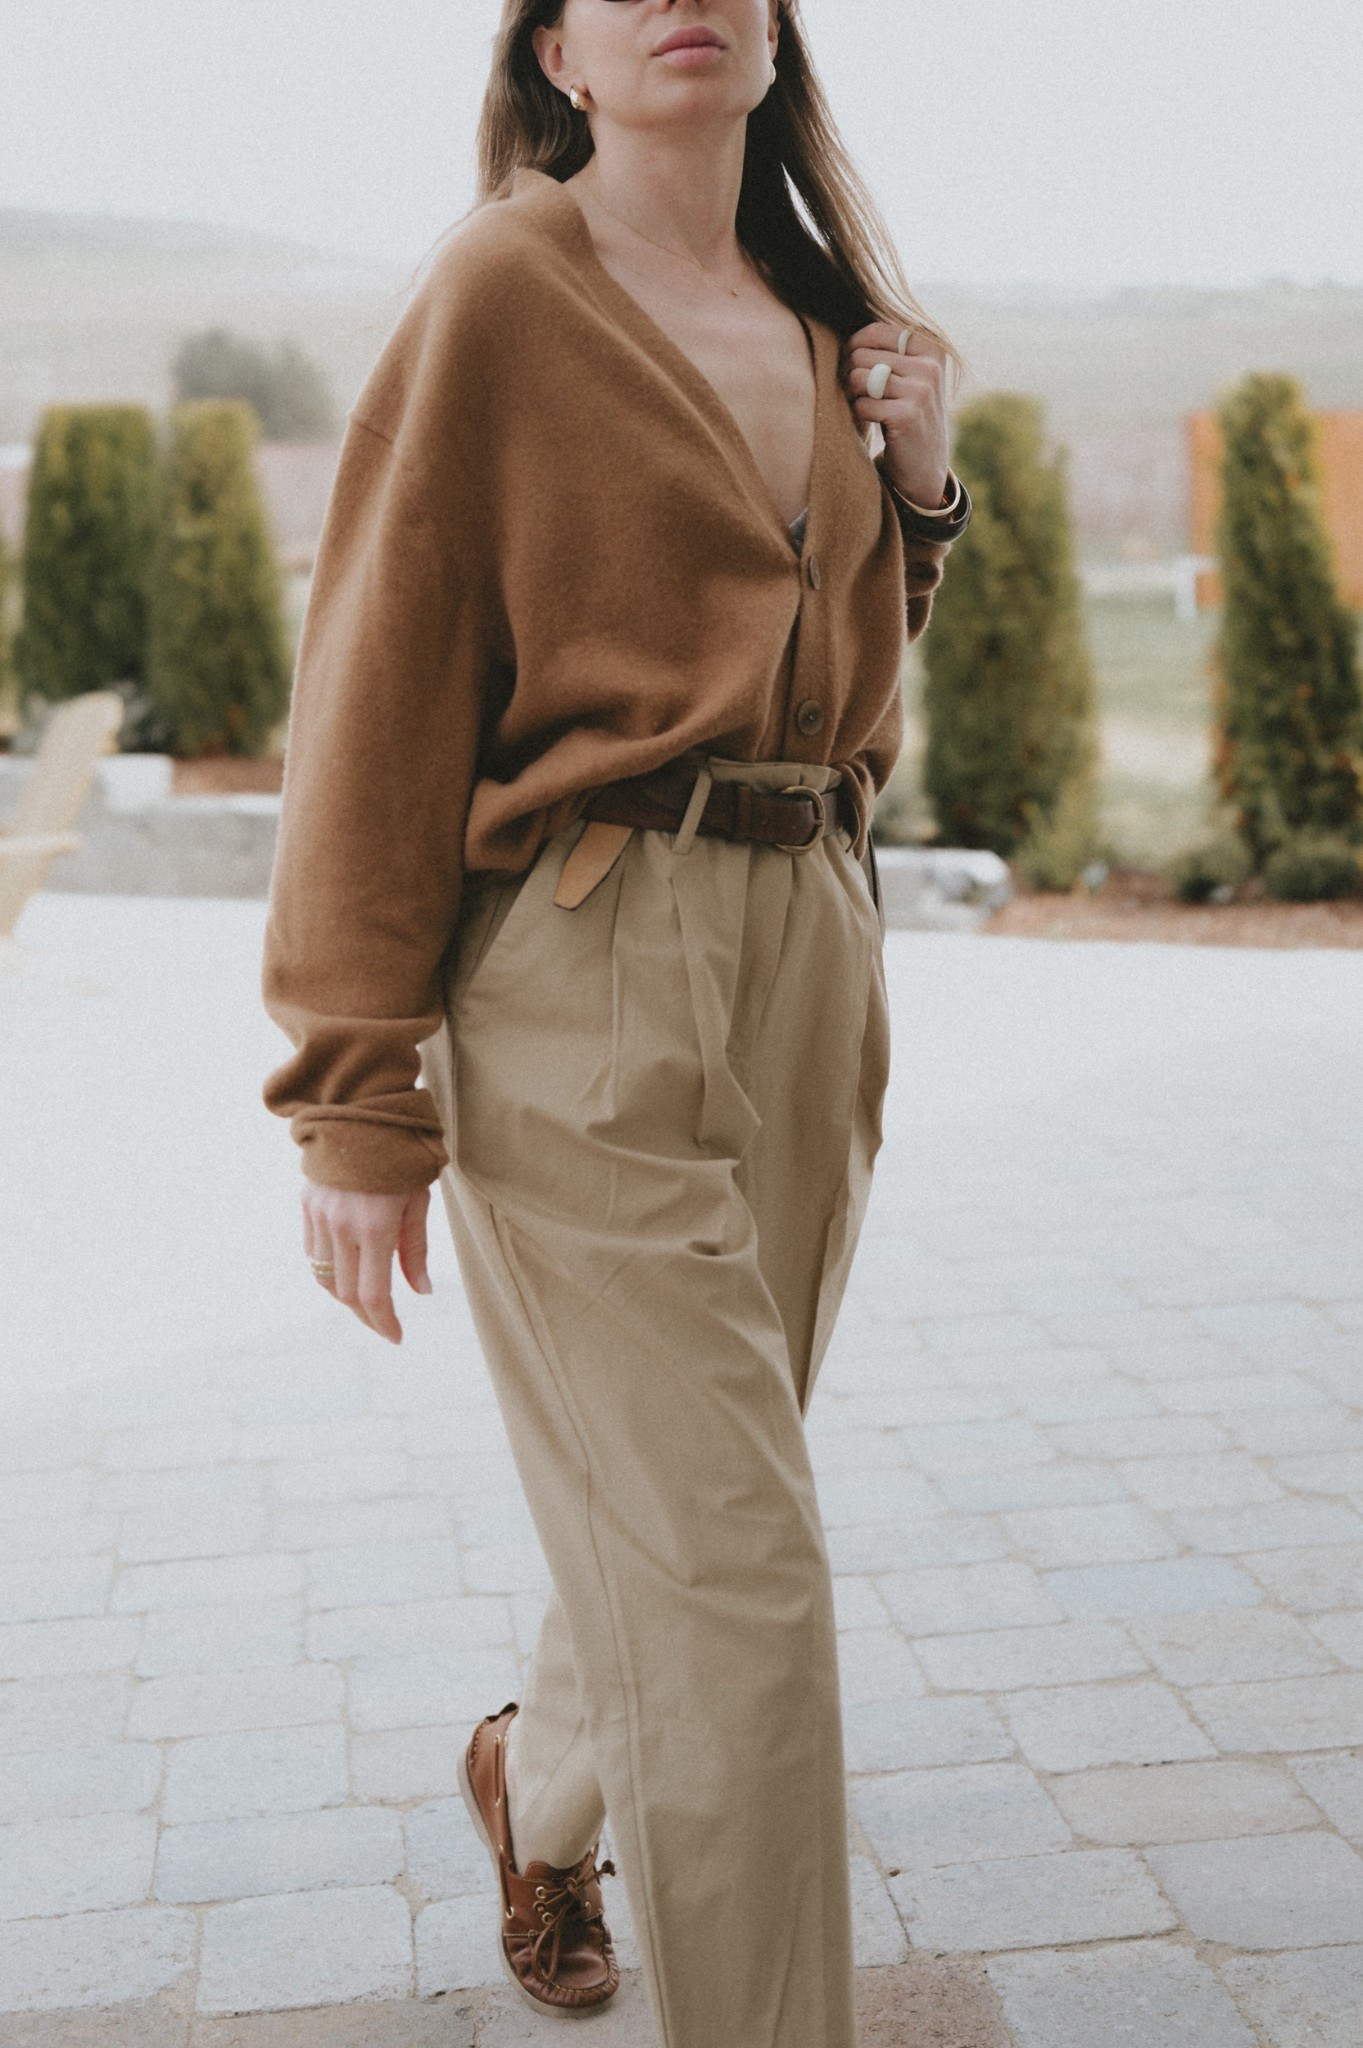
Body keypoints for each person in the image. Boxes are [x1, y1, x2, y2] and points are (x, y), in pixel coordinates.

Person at [261, 2, 970, 2040]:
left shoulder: (832, 315)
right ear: (560, 52)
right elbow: (377, 675)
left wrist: (914, 497)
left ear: (769, 34)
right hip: (577, 960)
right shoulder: (503, 286)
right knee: (744, 1581)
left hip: (808, 956)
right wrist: (352, 1090)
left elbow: (829, 685)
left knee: (689, 1515)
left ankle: (530, 1778)